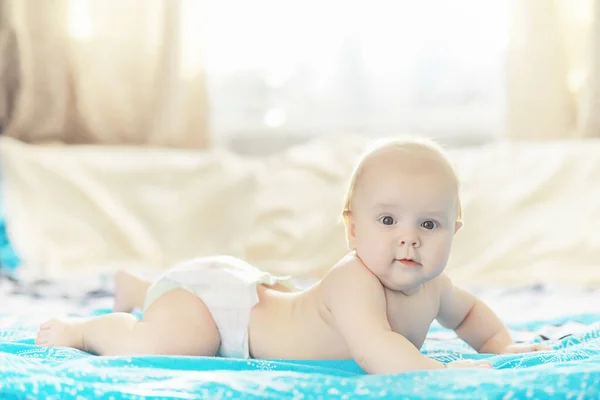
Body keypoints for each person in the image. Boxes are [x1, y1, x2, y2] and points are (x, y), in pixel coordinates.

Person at [35, 137, 550, 374]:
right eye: (388, 220)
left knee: (179, 308)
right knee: (169, 339)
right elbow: (377, 351)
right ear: (351, 230)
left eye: (429, 224)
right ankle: (90, 328)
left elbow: (473, 318)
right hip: (227, 317)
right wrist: (448, 376)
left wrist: (499, 346)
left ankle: (145, 288)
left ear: (454, 231)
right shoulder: (356, 281)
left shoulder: (435, 287)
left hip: (259, 296)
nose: (408, 239)